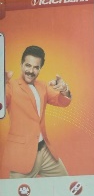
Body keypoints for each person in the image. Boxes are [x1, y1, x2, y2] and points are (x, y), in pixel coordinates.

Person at [2, 45, 72, 178]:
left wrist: (64, 90)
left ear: (40, 69)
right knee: (18, 192)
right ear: (21, 64)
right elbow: (2, 102)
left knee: (65, 185)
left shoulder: (43, 86)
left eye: (36, 67)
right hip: (22, 155)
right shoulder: (10, 86)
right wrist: (1, 86)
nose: (31, 71)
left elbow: (62, 102)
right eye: (28, 65)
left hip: (45, 152)